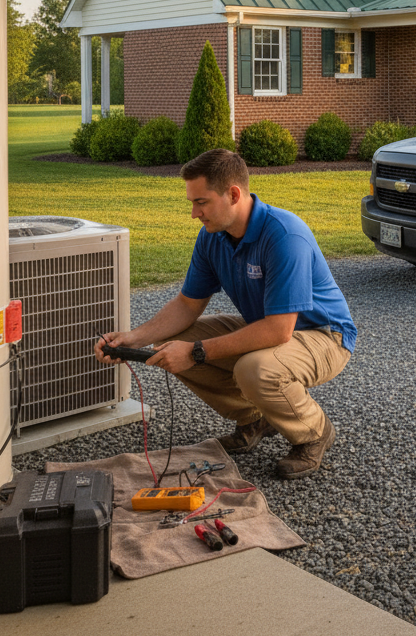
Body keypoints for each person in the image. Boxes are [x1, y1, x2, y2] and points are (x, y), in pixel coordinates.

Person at [95, 148, 356, 480]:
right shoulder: (213, 237)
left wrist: (196, 352)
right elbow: (188, 304)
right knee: (172, 344)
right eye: (192, 203)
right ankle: (255, 419)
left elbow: (278, 330)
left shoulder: (284, 235)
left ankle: (314, 432)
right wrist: (133, 338)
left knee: (253, 368)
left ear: (233, 194)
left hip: (325, 335)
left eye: (201, 202)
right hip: (268, 328)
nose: (194, 213)